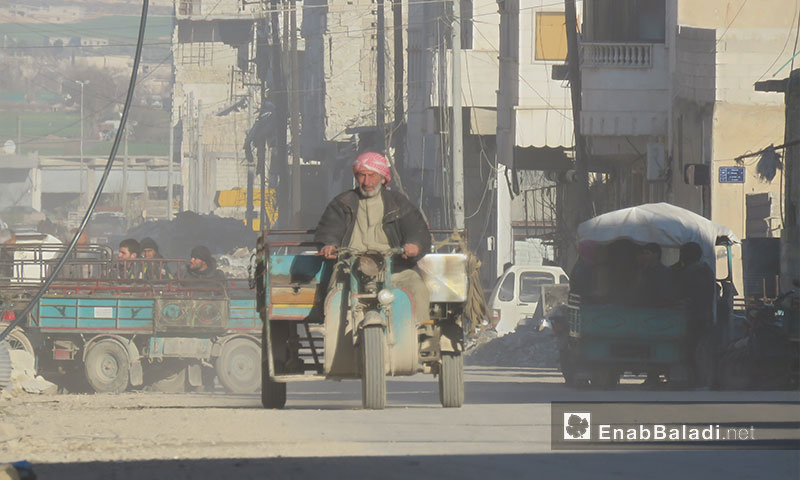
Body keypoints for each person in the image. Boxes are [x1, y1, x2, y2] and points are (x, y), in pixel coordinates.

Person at [314, 151, 432, 324]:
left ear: (383, 178)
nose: (367, 182)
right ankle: (337, 338)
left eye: (372, 175)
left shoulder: (398, 203)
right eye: (362, 175)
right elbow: (329, 228)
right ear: (356, 177)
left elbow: (416, 227)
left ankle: (420, 335)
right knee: (334, 295)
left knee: (417, 288)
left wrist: (414, 244)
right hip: (351, 267)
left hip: (394, 267)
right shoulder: (342, 203)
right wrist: (329, 244)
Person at [676, 241, 715, 388]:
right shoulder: (707, 271)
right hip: (706, 316)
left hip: (691, 318)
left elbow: (682, 294)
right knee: (703, 350)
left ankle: (692, 381)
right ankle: (704, 381)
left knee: (689, 351)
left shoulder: (688, 272)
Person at [633, 243, 672, 307]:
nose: (644, 256)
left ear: (656, 255)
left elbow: (665, 293)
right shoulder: (643, 270)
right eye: (644, 253)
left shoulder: (665, 271)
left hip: (658, 308)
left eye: (647, 253)